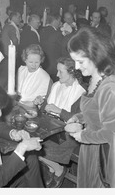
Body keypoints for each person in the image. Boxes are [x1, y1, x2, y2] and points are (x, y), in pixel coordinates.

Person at [66, 27, 115, 188]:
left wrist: (83, 136)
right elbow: (96, 110)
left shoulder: (111, 87)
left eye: (81, 61)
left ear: (96, 56)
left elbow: (114, 131)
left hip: (103, 156)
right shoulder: (94, 78)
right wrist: (78, 117)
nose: (77, 68)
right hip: (90, 150)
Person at [34, 57, 86, 187]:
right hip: (51, 127)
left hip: (68, 134)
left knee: (38, 149)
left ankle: (58, 169)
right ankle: (53, 167)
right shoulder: (57, 85)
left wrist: (59, 111)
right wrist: (39, 103)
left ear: (72, 72)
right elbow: (45, 109)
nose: (57, 75)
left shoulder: (81, 92)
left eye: (60, 72)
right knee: (31, 140)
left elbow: (79, 120)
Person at [40, 13, 64, 82]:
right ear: (55, 21)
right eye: (59, 21)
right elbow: (63, 48)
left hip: (44, 65)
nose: (60, 23)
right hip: (54, 66)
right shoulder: (57, 34)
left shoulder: (42, 31)